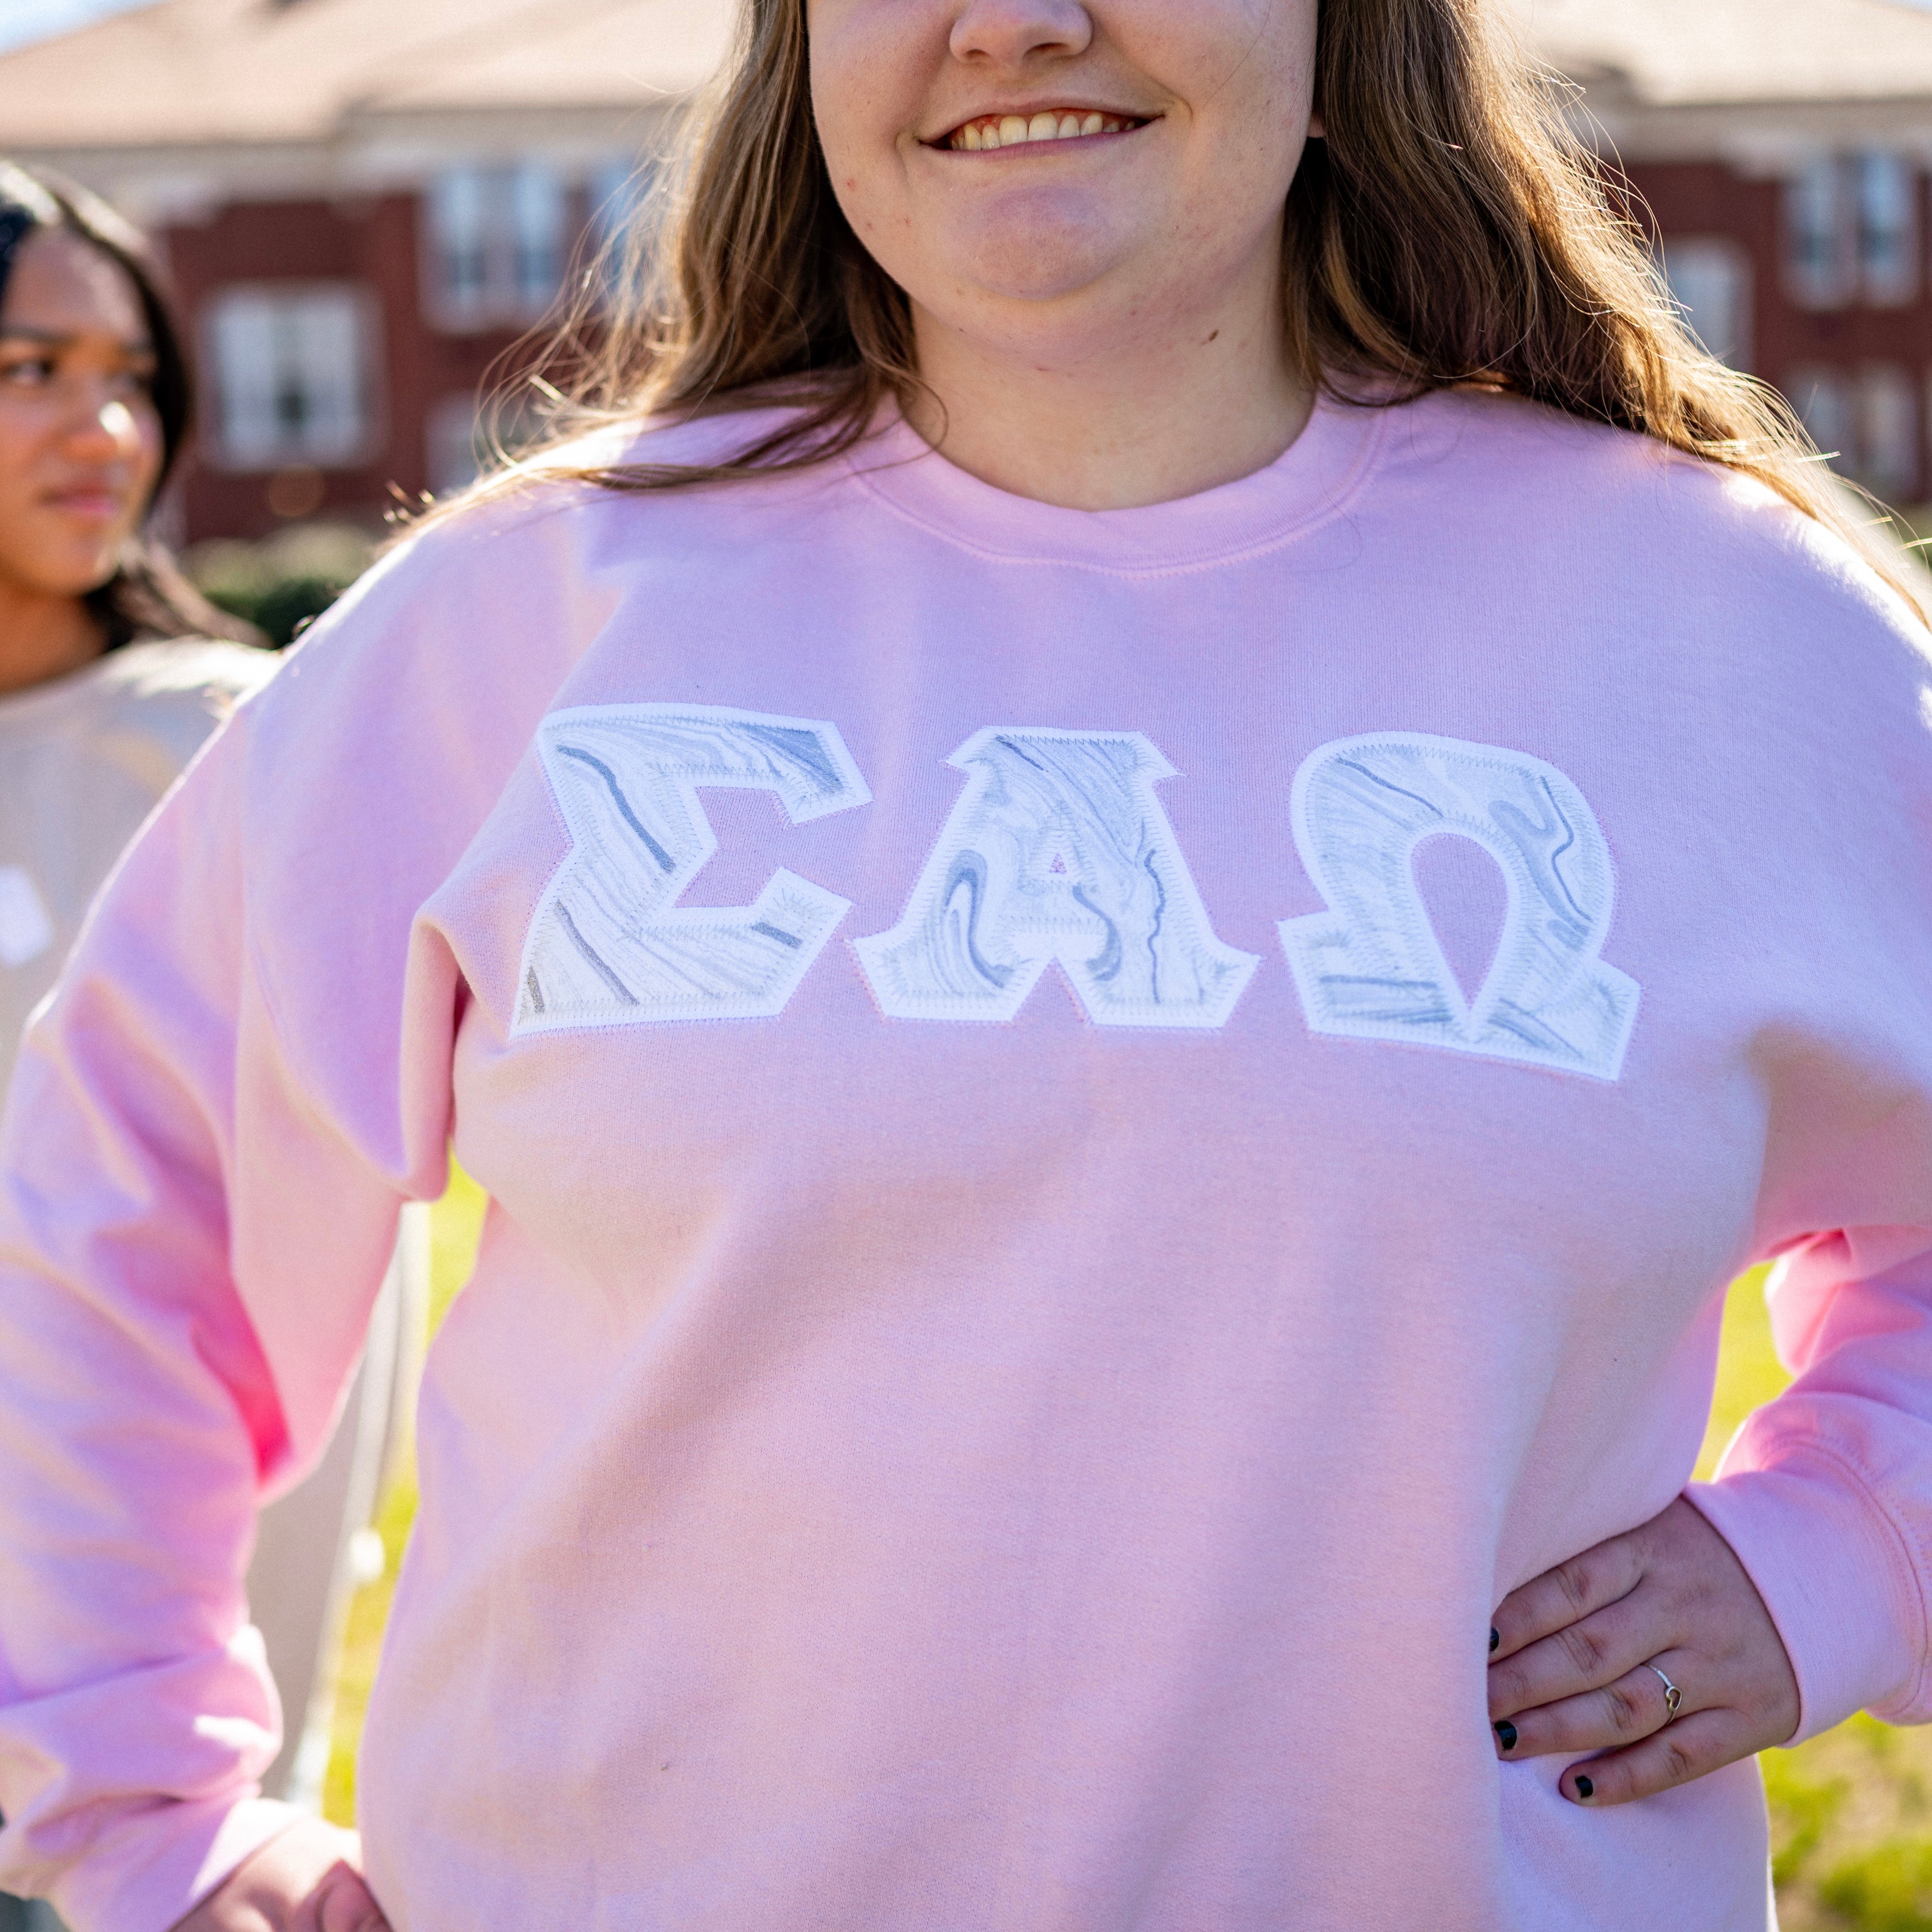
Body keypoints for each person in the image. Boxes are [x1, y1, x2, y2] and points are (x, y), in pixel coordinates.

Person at [2, 0, 1931, 1925]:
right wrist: (150, 1819)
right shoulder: (526, 619)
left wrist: (1850, 1547)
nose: (1013, 24)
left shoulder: (1719, 627)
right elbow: (110, 1216)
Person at [0, 164, 422, 1932]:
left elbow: (327, 1298)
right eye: (28, 368)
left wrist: (221, 1793)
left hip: (107, 1673)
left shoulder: (236, 751)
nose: (103, 422)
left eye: (131, 372)